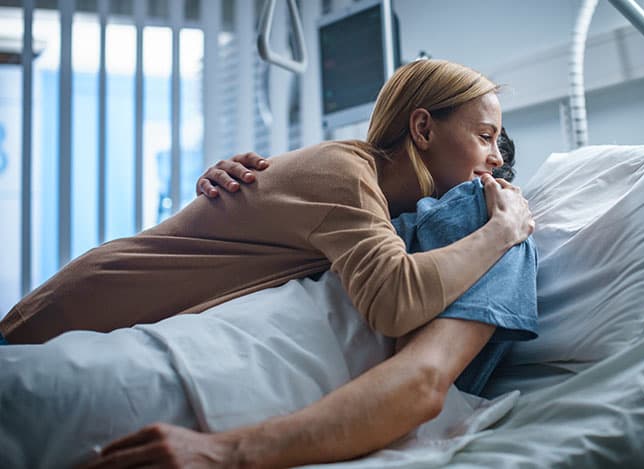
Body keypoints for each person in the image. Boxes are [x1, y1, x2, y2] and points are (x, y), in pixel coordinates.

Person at [0, 59, 535, 467]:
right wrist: (503, 230)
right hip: (68, 319)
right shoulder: (347, 176)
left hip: (103, 318)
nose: (496, 161)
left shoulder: (370, 196)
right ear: (422, 130)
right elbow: (394, 302)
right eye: (485, 137)